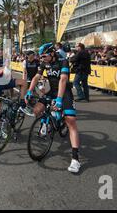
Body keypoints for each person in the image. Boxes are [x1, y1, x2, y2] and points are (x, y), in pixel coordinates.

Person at [26, 43, 81, 174]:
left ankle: (75, 159)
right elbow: (36, 77)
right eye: (40, 56)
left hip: (65, 94)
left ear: (51, 53)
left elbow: (63, 80)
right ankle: (45, 123)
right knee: (37, 110)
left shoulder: (63, 61)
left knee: (70, 121)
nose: (42, 58)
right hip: (52, 92)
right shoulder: (44, 63)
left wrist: (60, 100)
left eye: (44, 55)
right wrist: (29, 91)